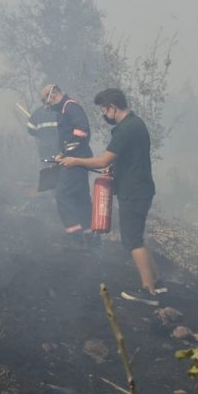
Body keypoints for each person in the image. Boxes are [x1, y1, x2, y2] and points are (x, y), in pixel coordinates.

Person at [58, 88, 165, 302]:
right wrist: (113, 169)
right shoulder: (137, 123)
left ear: (112, 108)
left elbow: (103, 160)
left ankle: (148, 291)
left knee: (132, 240)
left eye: (104, 110)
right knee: (137, 237)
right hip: (141, 188)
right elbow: (126, 158)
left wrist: (75, 161)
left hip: (133, 191)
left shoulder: (125, 129)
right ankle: (156, 282)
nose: (104, 115)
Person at [39, 84, 94, 247]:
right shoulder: (63, 110)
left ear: (54, 95)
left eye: (46, 100)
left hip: (76, 160)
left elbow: (82, 132)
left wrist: (64, 153)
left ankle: (76, 237)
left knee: (62, 194)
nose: (46, 104)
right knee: (80, 196)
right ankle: (90, 236)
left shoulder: (71, 108)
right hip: (76, 158)